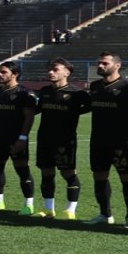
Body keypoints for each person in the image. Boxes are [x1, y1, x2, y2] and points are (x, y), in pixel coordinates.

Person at [85, 52, 128, 227]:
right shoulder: (95, 86)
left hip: (122, 141)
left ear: (117, 65)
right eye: (99, 63)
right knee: (99, 177)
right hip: (98, 140)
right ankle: (105, 215)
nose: (100, 66)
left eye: (104, 63)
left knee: (127, 177)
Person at [34, 58, 90, 219]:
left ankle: (70, 210)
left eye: (55, 69)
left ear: (67, 72)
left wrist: (73, 113)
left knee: (68, 174)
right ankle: (48, 209)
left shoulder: (77, 93)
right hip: (44, 138)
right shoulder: (44, 91)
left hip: (65, 140)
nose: (51, 72)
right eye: (50, 69)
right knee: (46, 173)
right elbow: (37, 110)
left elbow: (90, 106)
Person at [0, 61, 37, 214]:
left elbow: (29, 118)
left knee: (22, 170)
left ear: (15, 74)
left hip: (16, 139)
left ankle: (28, 204)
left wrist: (23, 138)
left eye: (4, 72)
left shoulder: (25, 94)